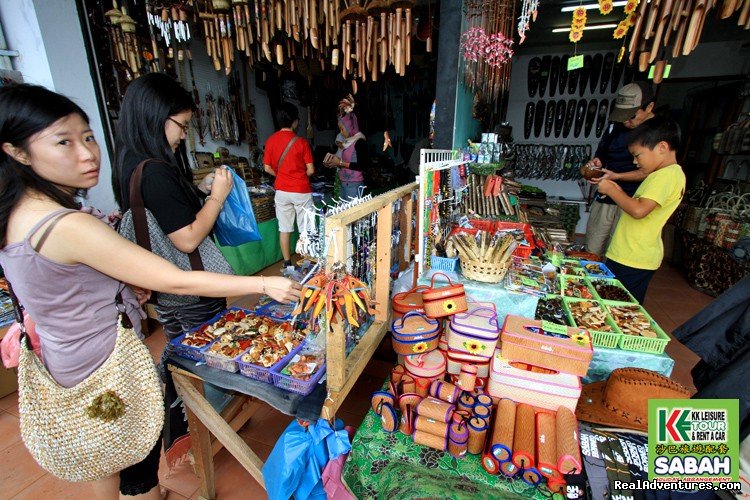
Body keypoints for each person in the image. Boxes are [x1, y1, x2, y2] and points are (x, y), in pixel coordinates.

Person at [0, 84, 300, 498]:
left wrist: (116, 287)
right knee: (126, 458)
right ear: (16, 152)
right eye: (63, 142)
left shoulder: (17, 213)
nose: (87, 153)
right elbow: (176, 275)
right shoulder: (67, 224)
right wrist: (264, 282)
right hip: (102, 366)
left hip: (63, 357)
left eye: (88, 136)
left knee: (105, 462)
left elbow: (62, 281)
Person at [596, 116, 685, 304]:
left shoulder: (667, 176)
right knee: (610, 302)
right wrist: (617, 189)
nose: (635, 162)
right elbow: (637, 204)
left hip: (634, 257)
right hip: (628, 253)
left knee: (621, 307)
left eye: (638, 155)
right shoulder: (662, 175)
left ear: (662, 147)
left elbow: (639, 211)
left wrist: (611, 190)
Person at [583, 82, 656, 256]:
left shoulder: (658, 132)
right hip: (605, 196)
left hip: (633, 200)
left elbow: (651, 173)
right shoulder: (615, 126)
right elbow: (602, 153)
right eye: (622, 115)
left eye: (631, 115)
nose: (626, 120)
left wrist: (616, 176)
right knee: (593, 248)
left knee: (617, 252)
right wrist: (596, 165)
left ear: (650, 107)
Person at [262, 102, 315, 269]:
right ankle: (306, 262)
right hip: (301, 191)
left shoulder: (270, 141)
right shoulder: (301, 143)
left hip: (281, 192)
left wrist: (283, 176)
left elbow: (266, 167)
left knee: (284, 228)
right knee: (305, 228)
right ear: (294, 122)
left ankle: (287, 263)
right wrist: (297, 177)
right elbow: (311, 170)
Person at [324, 94, 369, 200]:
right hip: (344, 183)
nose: (341, 132)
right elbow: (344, 162)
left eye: (342, 129)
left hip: (354, 185)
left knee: (353, 214)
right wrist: (333, 163)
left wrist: (340, 163)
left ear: (350, 127)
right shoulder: (346, 142)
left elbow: (362, 165)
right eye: (340, 129)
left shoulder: (359, 142)